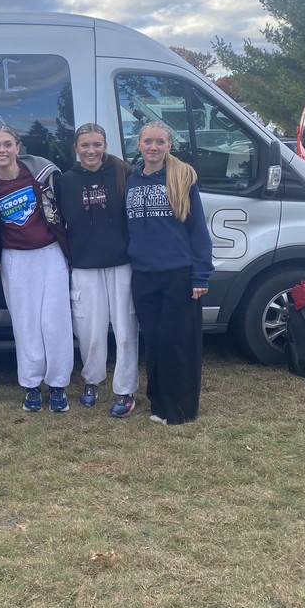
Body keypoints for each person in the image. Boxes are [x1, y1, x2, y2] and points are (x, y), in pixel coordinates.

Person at [0, 124, 72, 412]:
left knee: (54, 322)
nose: (2, 150)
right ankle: (31, 385)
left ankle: (58, 385)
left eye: (7, 144)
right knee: (24, 322)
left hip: (49, 253)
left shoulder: (42, 174)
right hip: (15, 258)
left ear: (18, 147)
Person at [125, 120, 213, 426]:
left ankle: (181, 409)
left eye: (160, 142)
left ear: (168, 146)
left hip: (179, 273)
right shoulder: (131, 180)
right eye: (148, 141)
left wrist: (201, 274)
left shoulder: (183, 178)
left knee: (178, 342)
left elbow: (198, 230)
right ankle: (159, 404)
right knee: (154, 341)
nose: (153, 147)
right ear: (139, 145)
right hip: (143, 274)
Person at [56, 123, 139, 417]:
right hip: (84, 264)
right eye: (85, 145)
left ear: (105, 146)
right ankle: (92, 381)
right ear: (76, 148)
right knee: (89, 329)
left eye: (97, 145)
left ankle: (125, 388)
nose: (91, 151)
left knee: (125, 328)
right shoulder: (65, 180)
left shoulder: (122, 173)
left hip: (120, 262)